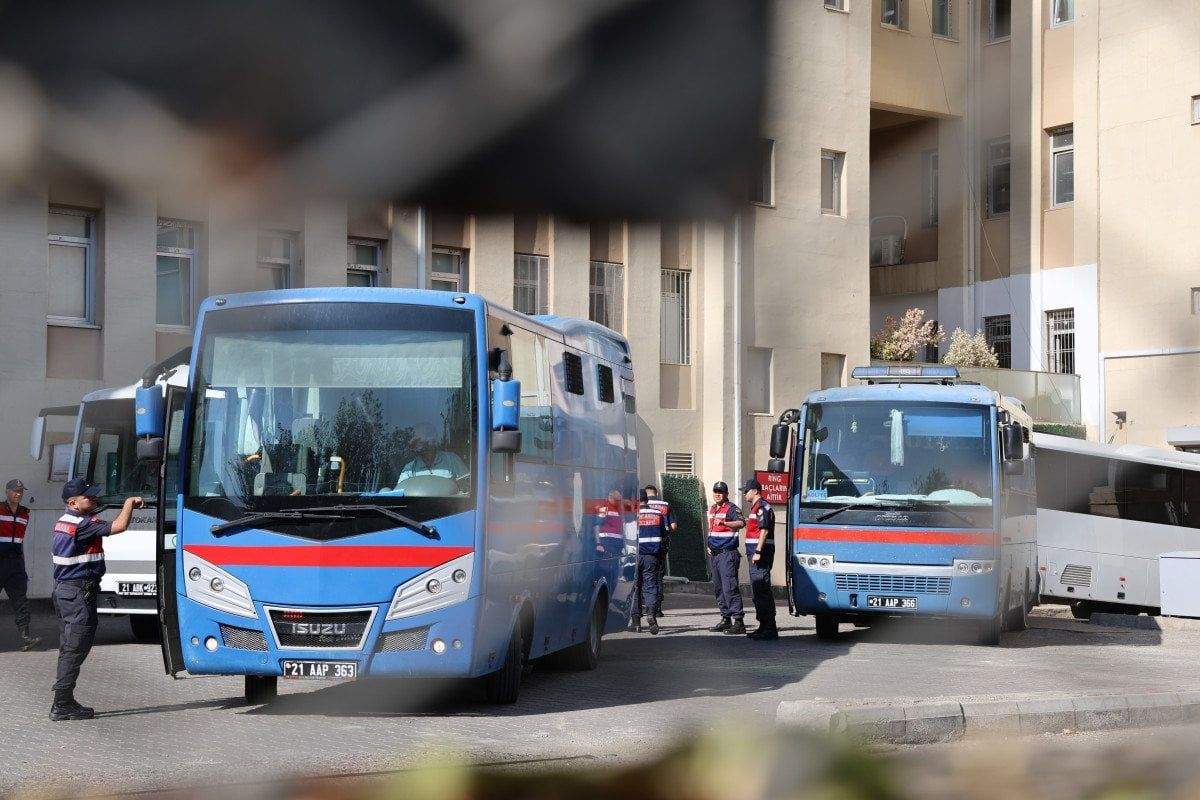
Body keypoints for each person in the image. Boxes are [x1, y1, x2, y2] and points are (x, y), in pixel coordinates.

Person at [50, 478, 143, 721]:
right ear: (73, 502)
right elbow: (119, 526)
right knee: (74, 648)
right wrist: (129, 503)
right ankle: (62, 704)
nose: (93, 498)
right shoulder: (82, 524)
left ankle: (64, 700)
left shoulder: (65, 521)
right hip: (78, 594)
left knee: (70, 646)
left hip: (67, 592)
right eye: (88, 496)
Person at [1, 479, 39, 651]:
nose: (18, 494)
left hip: (15, 564)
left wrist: (22, 565)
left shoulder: (25, 513)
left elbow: (20, 540)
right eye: (15, 491)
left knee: (21, 601)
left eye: (21, 491)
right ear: (7, 491)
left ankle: (26, 638)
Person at [706, 481, 746, 635]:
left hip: (727, 554)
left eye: (721, 492)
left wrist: (725, 522)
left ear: (726, 494)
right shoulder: (712, 509)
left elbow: (741, 523)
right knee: (719, 588)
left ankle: (739, 622)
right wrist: (709, 545)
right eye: (715, 491)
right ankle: (725, 619)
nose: (717, 494)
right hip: (715, 554)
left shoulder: (731, 508)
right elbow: (712, 530)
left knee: (730, 587)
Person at [741, 478, 778, 640]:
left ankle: (769, 628)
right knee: (758, 591)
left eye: (746, 491)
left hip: (760, 555)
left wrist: (757, 551)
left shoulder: (762, 507)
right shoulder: (756, 507)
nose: (744, 494)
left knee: (762, 590)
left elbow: (764, 530)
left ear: (755, 491)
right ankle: (763, 626)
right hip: (755, 554)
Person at [631, 489, 670, 635]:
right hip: (652, 557)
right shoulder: (657, 514)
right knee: (650, 586)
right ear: (646, 500)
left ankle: (636, 623)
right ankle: (651, 615)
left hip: (634, 557)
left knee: (635, 587)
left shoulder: (632, 514)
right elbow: (664, 533)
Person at [396, 421, 469, 486]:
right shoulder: (410, 469)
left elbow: (468, 485)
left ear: (432, 439)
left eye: (419, 439)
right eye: (416, 441)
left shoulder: (452, 460)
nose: (417, 443)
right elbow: (400, 492)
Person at [643, 484, 676, 619]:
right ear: (657, 493)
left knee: (644, 577)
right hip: (660, 545)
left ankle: (645, 607)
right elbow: (673, 526)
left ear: (646, 494)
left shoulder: (641, 506)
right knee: (658, 576)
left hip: (642, 548)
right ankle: (657, 609)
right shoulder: (665, 505)